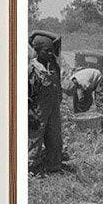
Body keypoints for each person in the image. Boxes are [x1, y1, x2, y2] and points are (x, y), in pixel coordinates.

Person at [28, 31, 66, 174]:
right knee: (35, 139)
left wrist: (36, 32)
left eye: (51, 50)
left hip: (53, 109)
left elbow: (58, 38)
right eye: (46, 50)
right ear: (37, 51)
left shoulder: (53, 65)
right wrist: (30, 114)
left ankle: (53, 167)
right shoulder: (32, 68)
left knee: (55, 137)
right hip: (38, 111)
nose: (50, 53)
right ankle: (32, 169)